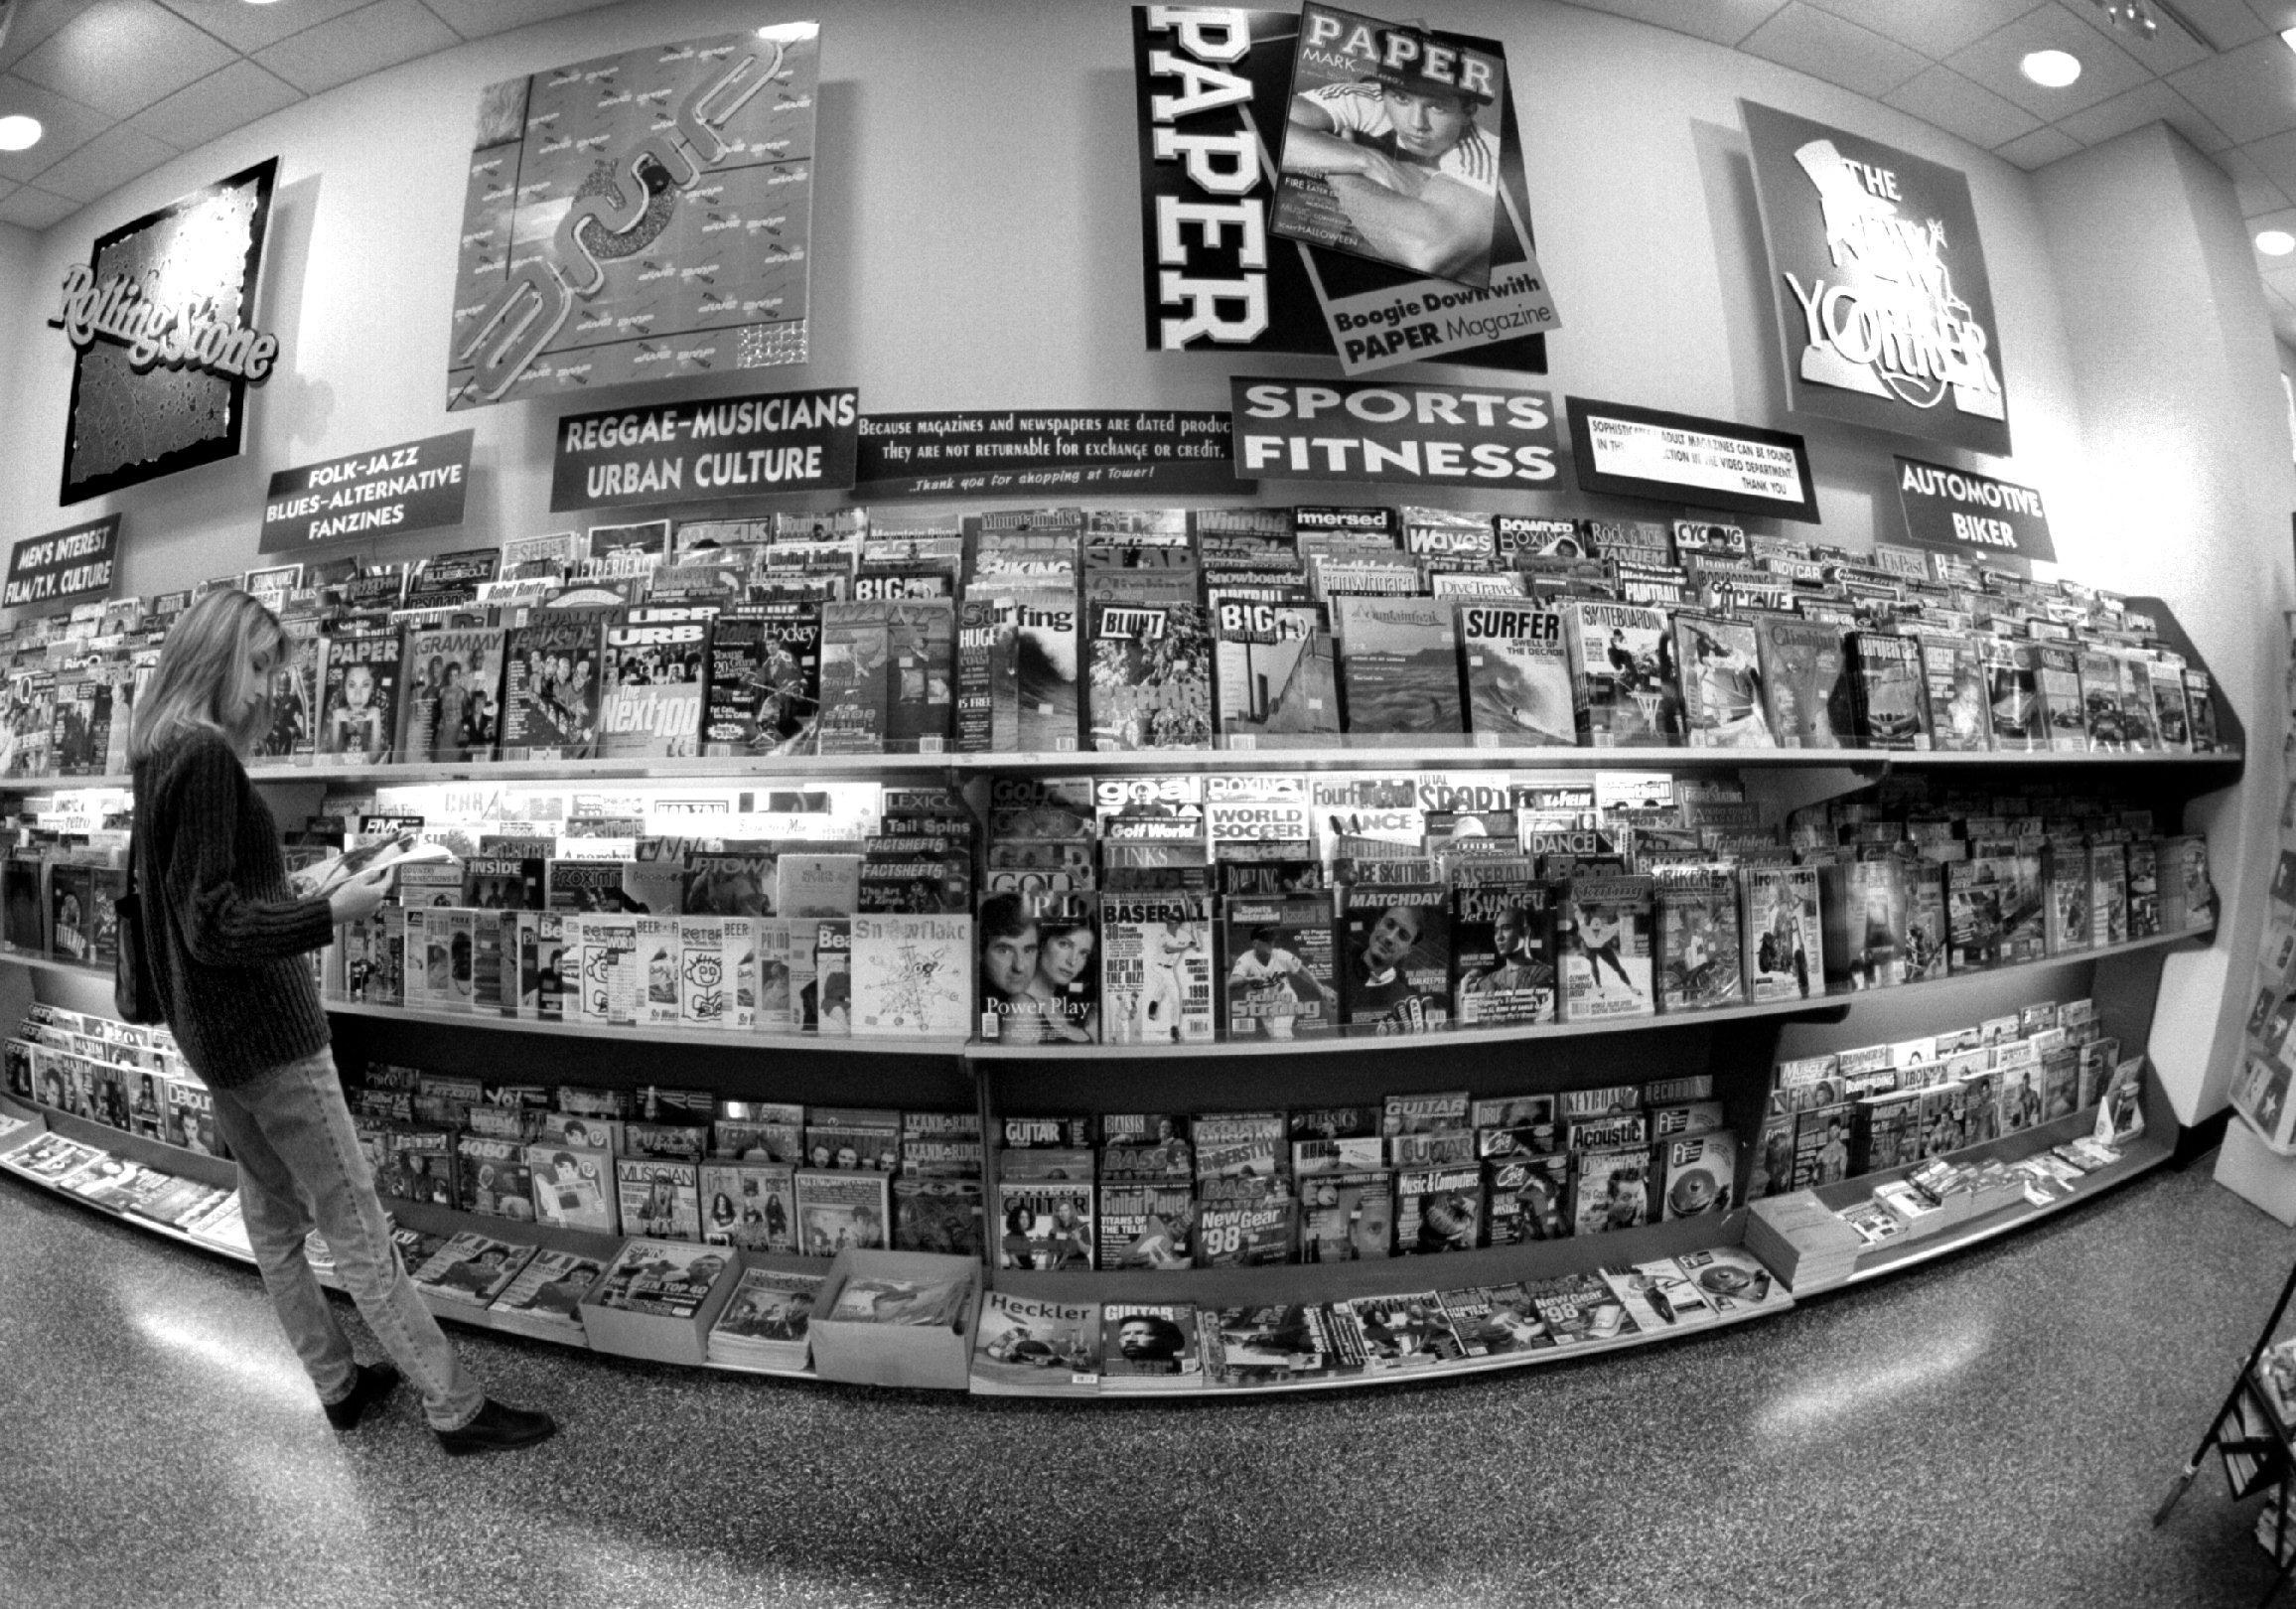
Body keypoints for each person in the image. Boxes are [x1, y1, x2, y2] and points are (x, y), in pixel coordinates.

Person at [128, 589, 553, 1455]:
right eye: (255, 667)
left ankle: (339, 1385)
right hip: (269, 1037)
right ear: (211, 659)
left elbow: (190, 906)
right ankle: (456, 1408)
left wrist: (297, 888)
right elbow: (214, 925)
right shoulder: (205, 757)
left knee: (273, 1222)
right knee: (355, 1225)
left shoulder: (157, 750)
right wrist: (336, 911)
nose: (264, 691)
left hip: (214, 1042)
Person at [1280, 44, 1499, 280]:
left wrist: (1334, 165)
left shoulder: (1485, 154)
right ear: (1383, 93)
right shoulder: (1367, 100)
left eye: (1436, 106)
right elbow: (1269, 129)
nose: (1417, 123)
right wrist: (1367, 161)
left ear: (1467, 112)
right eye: (1402, 99)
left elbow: (1424, 254)